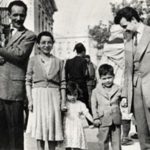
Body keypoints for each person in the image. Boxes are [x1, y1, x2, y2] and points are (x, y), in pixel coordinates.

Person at [0, 1, 36, 149]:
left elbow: (19, 55)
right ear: (9, 15)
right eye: (15, 14)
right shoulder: (3, 31)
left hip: (14, 90)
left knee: (15, 134)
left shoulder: (29, 35)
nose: (18, 18)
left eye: (22, 15)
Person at [114, 6, 150, 150]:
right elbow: (127, 69)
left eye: (125, 25)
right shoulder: (128, 39)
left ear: (134, 20)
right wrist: (124, 95)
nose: (124, 30)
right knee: (142, 132)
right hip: (135, 90)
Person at [26, 31, 66, 150]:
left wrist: (63, 102)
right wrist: (30, 100)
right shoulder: (33, 60)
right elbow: (28, 81)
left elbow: (63, 83)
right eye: (43, 42)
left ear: (53, 44)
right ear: (38, 44)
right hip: (38, 96)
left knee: (52, 130)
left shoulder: (59, 62)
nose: (46, 45)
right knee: (40, 130)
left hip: (54, 96)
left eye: (49, 42)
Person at [91, 64, 125, 150]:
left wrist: (124, 100)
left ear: (113, 76)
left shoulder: (118, 88)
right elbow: (93, 106)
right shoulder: (95, 91)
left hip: (116, 119)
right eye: (104, 78)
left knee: (117, 142)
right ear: (100, 79)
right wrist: (95, 118)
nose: (107, 80)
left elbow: (123, 98)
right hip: (102, 119)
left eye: (109, 77)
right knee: (103, 141)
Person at [63, 81, 93, 150]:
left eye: (75, 95)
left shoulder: (80, 104)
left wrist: (93, 120)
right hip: (67, 127)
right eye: (70, 95)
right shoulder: (65, 104)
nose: (73, 97)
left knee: (77, 144)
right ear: (66, 94)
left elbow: (87, 113)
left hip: (77, 128)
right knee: (68, 144)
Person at [65, 43, 89, 108]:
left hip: (71, 87)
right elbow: (86, 74)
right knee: (83, 105)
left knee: (72, 105)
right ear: (83, 51)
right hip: (81, 87)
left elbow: (65, 75)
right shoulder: (83, 61)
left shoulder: (68, 61)